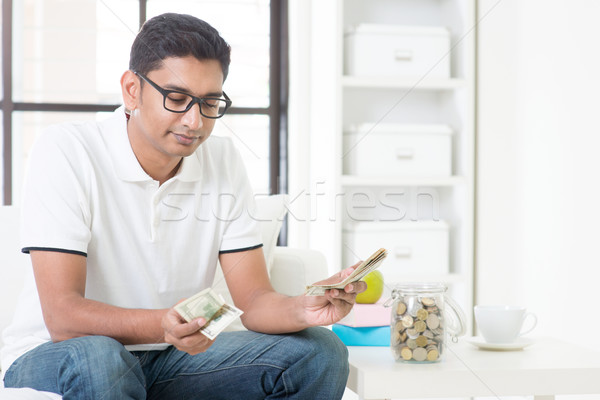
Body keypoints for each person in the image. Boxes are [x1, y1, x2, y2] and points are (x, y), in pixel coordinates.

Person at [1, 13, 366, 400]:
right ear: (131, 90)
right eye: (176, 99)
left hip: (172, 359)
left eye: (210, 103)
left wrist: (303, 309)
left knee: (318, 352)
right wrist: (162, 323)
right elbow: (63, 316)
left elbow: (255, 300)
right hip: (60, 354)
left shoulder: (222, 159)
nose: (194, 121)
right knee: (100, 357)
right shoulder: (66, 150)